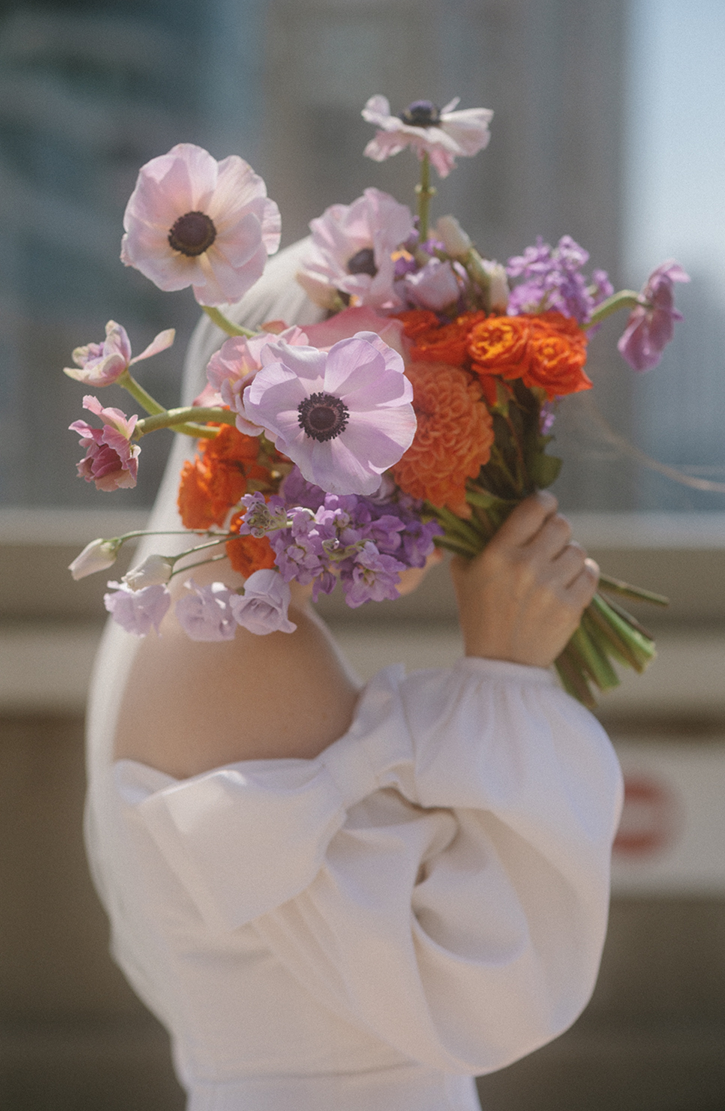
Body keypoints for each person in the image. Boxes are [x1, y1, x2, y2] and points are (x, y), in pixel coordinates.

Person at [83, 239, 623, 1111]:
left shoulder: (202, 613)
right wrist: (505, 678)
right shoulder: (239, 644)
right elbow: (481, 984)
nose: (439, 474)